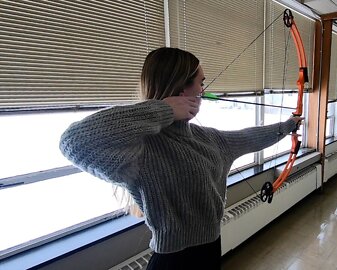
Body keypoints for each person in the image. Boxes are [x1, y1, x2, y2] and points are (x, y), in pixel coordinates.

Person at [59, 47, 302, 269]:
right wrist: (163, 109)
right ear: (181, 88)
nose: (203, 90)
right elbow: (74, 142)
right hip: (171, 262)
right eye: (200, 82)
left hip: (209, 251)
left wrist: (286, 126)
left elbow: (249, 137)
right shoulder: (141, 149)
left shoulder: (209, 139)